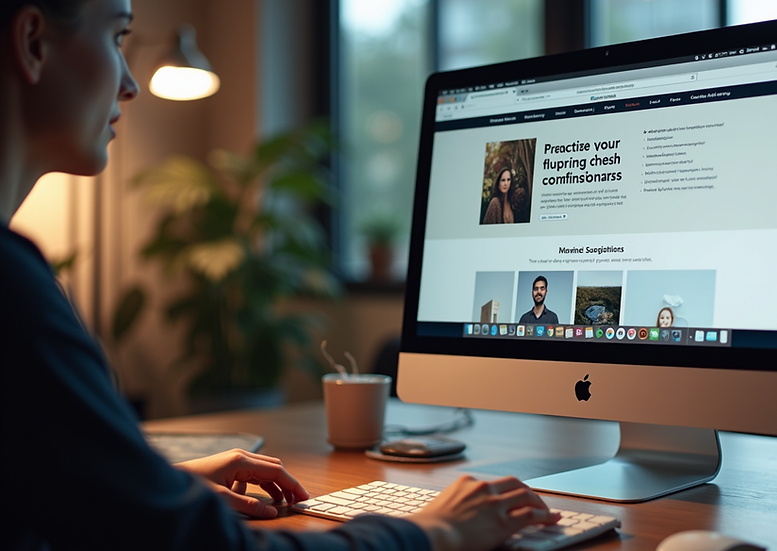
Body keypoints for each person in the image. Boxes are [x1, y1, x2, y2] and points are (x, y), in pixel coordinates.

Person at [0, 1, 558, 550]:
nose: (130, 84)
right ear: (32, 42)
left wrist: (156, 490)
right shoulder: (13, 291)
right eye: (117, 36)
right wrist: (434, 529)